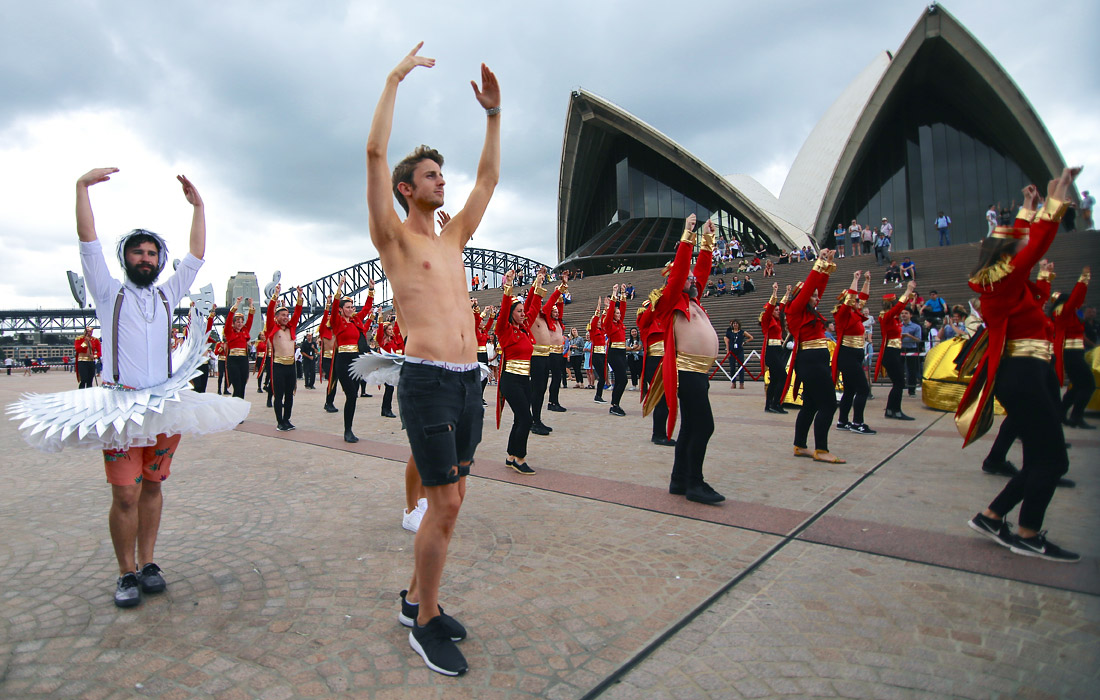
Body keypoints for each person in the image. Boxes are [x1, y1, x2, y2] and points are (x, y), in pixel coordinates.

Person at [10, 167, 248, 608]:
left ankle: (150, 562)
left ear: (160, 260)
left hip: (163, 408)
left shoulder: (166, 294)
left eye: (152, 253)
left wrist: (199, 207)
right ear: (126, 260)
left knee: (154, 487)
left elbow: (196, 255)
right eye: (138, 253)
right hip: (120, 409)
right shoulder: (107, 292)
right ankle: (125, 572)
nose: (146, 258)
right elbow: (88, 241)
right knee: (125, 494)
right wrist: (81, 188)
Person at [366, 42, 498, 676]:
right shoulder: (392, 238)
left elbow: (489, 180)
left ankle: (418, 600)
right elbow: (373, 153)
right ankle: (424, 623)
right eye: (430, 176)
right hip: (426, 381)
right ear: (405, 188)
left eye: (442, 175)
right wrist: (395, 79)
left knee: (455, 501)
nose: (441, 183)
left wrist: (494, 118)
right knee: (442, 503)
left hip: (469, 379)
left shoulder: (454, 238)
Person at [959, 170, 1080, 562]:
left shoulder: (1008, 282)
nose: (1024, 248)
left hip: (1030, 372)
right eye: (1017, 245)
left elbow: (1029, 259)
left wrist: (1029, 210)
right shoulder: (1000, 282)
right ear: (1005, 257)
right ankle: (1027, 532)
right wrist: (1052, 202)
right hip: (1023, 374)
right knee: (1052, 459)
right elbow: (1035, 247)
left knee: (1044, 457)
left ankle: (993, 516)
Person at [643, 214, 723, 502]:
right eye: (686, 276)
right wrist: (687, 235)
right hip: (686, 373)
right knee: (704, 426)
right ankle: (695, 483)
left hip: (699, 374)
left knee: (690, 427)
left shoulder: (694, 300)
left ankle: (679, 481)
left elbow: (700, 272)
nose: (692, 278)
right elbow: (680, 275)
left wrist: (708, 242)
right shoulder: (669, 303)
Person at [784, 249, 845, 463]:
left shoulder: (809, 310)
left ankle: (800, 445)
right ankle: (822, 449)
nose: (817, 297)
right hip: (811, 363)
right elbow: (810, 287)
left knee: (810, 405)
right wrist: (818, 263)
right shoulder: (794, 309)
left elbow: (817, 288)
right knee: (828, 404)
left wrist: (827, 265)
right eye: (813, 295)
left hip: (816, 361)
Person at [495, 270, 539, 475]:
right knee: (526, 418)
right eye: (519, 311)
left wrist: (537, 286)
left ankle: (511, 455)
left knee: (519, 419)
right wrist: (508, 287)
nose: (523, 314)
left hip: (524, 380)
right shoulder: (504, 330)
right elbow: (504, 311)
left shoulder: (524, 330)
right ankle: (520, 459)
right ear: (511, 313)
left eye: (523, 311)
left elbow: (533, 306)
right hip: (510, 380)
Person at [329, 277, 374, 442]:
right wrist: (339, 288)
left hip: (355, 360)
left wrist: (370, 290)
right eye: (348, 307)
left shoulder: (356, 320)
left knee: (353, 395)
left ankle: (350, 429)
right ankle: (347, 431)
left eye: (352, 306)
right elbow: (333, 309)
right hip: (343, 360)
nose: (351, 309)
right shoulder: (337, 321)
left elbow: (368, 307)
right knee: (351, 394)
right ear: (341, 309)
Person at [832, 271, 875, 435]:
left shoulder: (854, 314)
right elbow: (852, 298)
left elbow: (863, 297)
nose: (858, 303)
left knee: (850, 390)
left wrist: (866, 281)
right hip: (847, 354)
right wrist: (855, 279)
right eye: (854, 301)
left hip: (855, 354)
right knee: (863, 389)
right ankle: (858, 422)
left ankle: (843, 421)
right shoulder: (842, 315)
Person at [1052, 266, 1093, 429]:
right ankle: (1075, 415)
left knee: (1078, 385)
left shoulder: (1067, 312)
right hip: (1071, 354)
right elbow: (1076, 298)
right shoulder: (1063, 312)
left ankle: (1062, 413)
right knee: (1088, 385)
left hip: (1074, 353)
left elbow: (1078, 299)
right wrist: (1083, 279)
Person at [528, 277, 567, 428]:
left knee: (541, 389)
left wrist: (561, 288)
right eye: (538, 301)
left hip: (545, 356)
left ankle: (536, 419)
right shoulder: (530, 317)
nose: (541, 304)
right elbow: (533, 300)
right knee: (537, 389)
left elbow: (551, 302)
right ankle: (533, 420)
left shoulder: (544, 317)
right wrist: (537, 284)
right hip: (536, 356)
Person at [264, 285, 304, 431]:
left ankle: (287, 419)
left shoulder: (291, 328)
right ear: (276, 317)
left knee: (290, 395)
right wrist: (275, 295)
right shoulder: (272, 328)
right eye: (282, 315)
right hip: (278, 366)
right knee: (278, 395)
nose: (286, 318)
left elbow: (298, 313)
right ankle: (280, 421)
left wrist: (300, 297)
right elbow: (269, 312)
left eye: (287, 315)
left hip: (290, 366)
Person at [874, 283, 917, 420]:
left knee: (898, 383)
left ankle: (891, 410)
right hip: (890, 352)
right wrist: (908, 290)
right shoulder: (886, 316)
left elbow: (901, 308)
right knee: (899, 383)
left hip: (894, 351)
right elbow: (899, 307)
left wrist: (910, 296)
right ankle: (895, 410)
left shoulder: (893, 317)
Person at [758, 282, 789, 414]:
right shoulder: (767, 319)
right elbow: (771, 308)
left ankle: (769, 405)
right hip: (771, 350)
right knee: (783, 376)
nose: (778, 311)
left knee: (775, 379)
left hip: (778, 350)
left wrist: (787, 292)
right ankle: (776, 403)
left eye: (778, 310)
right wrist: (775, 292)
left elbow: (782, 306)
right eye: (776, 310)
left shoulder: (778, 321)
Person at [602, 284, 629, 416]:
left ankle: (615, 405)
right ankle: (614, 404)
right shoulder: (609, 324)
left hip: (622, 353)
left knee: (620, 380)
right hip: (614, 353)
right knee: (623, 380)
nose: (619, 315)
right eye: (616, 313)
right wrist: (614, 293)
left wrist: (623, 293)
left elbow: (622, 309)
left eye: (619, 313)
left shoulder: (620, 323)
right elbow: (613, 309)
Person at [224, 297, 255, 399]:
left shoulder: (245, 331)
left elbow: (250, 319)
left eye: (241, 322)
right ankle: (235, 405)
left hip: (243, 359)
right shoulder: (229, 332)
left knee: (243, 384)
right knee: (237, 385)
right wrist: (237, 304)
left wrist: (251, 305)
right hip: (233, 360)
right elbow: (228, 319)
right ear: (233, 323)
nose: (240, 324)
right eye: (238, 322)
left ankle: (240, 404)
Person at [588, 298, 608, 404]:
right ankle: (598, 396)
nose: (600, 323)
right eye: (598, 322)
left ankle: (598, 396)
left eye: (601, 322)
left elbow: (604, 319)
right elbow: (596, 320)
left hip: (602, 354)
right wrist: (598, 307)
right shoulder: (593, 330)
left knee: (603, 376)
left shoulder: (602, 330)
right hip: (596, 355)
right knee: (602, 376)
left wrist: (606, 308)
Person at [899, 308, 922, 397]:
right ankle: (900, 387)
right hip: (901, 348)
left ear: (910, 315)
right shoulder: (899, 326)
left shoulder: (916, 327)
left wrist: (909, 336)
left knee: (911, 370)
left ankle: (912, 390)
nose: (904, 315)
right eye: (902, 313)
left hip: (911, 349)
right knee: (899, 369)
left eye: (906, 313)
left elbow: (918, 340)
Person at [724, 320, 753, 388]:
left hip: (739, 351)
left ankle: (741, 383)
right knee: (732, 368)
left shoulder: (742, 332)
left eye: (736, 323)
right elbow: (727, 342)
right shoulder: (729, 333)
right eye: (734, 324)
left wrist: (745, 342)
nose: (735, 325)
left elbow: (751, 337)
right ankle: (733, 382)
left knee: (741, 367)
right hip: (732, 351)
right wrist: (727, 351)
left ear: (739, 325)